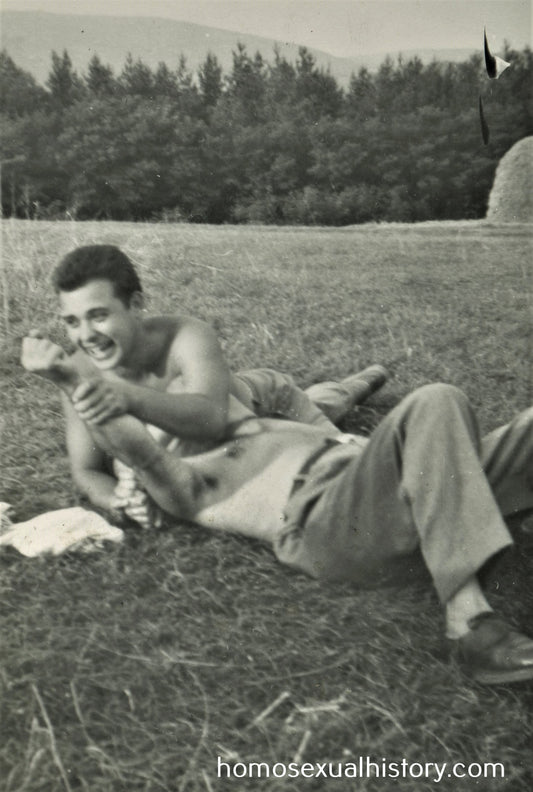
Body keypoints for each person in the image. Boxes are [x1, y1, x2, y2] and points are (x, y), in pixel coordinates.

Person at [21, 335, 533, 685]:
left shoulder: (232, 397)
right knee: (437, 400)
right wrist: (73, 383)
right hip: (334, 511)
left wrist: (360, 388)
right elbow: (136, 453)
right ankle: (469, 622)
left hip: (384, 474)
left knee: (332, 398)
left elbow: (298, 394)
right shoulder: (181, 472)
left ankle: (376, 388)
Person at [48, 244, 387, 528]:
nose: (86, 335)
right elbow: (87, 469)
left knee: (341, 452)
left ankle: (365, 380)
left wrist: (125, 397)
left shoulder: (185, 335)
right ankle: (360, 382)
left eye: (98, 315)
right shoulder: (78, 368)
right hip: (221, 440)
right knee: (325, 404)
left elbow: (208, 420)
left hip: (263, 401)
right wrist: (119, 500)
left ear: (136, 305)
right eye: (72, 322)